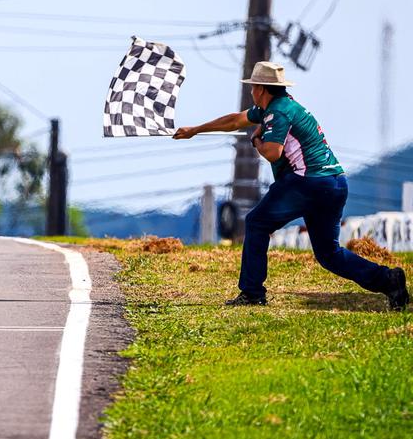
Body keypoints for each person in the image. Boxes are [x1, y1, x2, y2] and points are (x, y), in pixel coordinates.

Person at [174, 62, 409, 310]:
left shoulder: (278, 112)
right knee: (329, 254)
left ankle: (252, 293)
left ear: (261, 89)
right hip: (335, 182)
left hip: (309, 182)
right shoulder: (280, 107)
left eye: (253, 87)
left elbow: (273, 153)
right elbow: (235, 120)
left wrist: (256, 140)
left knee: (256, 222)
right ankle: (389, 280)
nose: (251, 91)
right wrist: (196, 129)